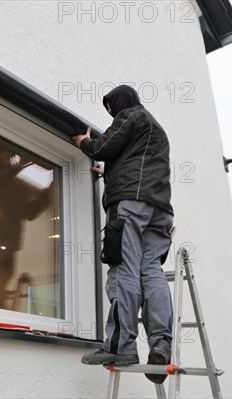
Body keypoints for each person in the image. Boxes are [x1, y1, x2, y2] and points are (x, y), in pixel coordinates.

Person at [72, 85, 174, 385]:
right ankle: (160, 342)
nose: (110, 113)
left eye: (110, 108)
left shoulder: (130, 116)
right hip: (159, 211)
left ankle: (120, 347)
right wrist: (110, 173)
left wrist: (84, 143)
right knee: (150, 270)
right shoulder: (156, 128)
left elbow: (105, 148)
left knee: (123, 269)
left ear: (116, 104)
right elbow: (136, 162)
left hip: (130, 205)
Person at [0, 145, 50, 308]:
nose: (10, 159)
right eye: (8, 155)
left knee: (1, 286)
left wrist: (48, 193)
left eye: (12, 156)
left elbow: (28, 212)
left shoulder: (14, 184)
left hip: (8, 244)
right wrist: (18, 167)